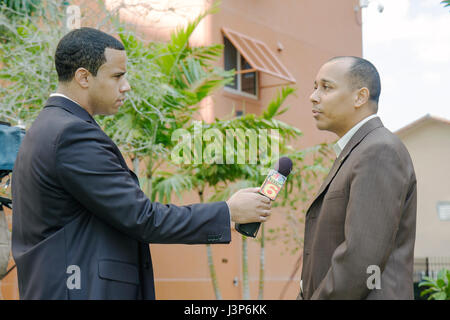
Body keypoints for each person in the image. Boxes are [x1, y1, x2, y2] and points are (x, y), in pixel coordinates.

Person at [11, 27, 271, 300]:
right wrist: (228, 213)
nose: (126, 86)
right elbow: (142, 218)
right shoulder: (71, 134)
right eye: (117, 76)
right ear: (83, 77)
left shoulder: (48, 127)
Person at [298, 56, 417, 299]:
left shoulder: (378, 150)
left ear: (360, 97)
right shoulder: (357, 150)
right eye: (314, 87)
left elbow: (360, 260)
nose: (313, 96)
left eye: (326, 87)